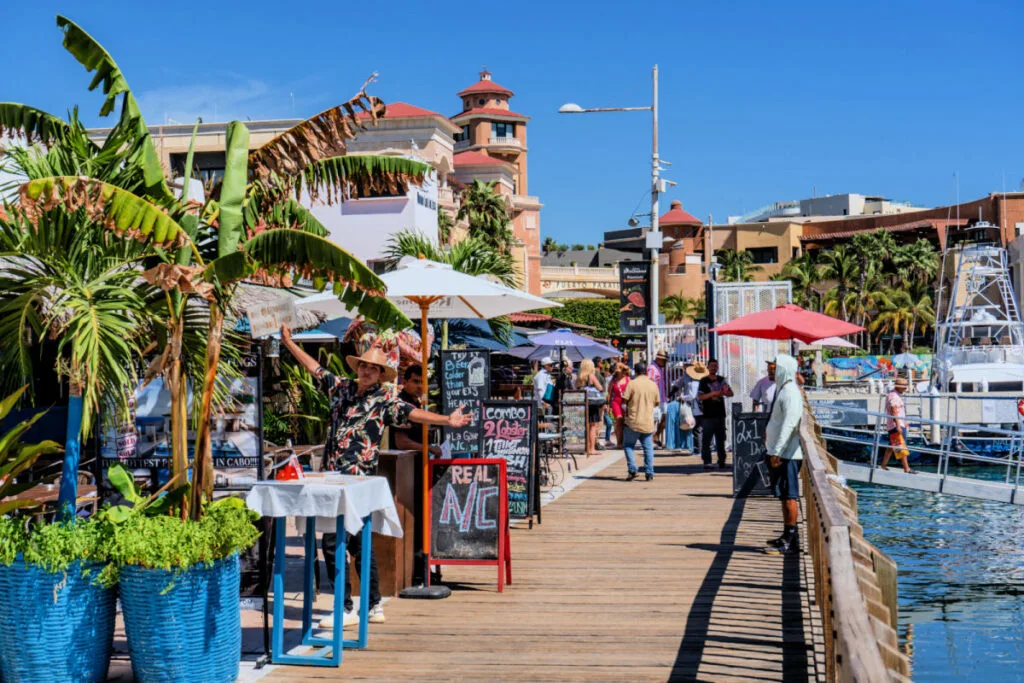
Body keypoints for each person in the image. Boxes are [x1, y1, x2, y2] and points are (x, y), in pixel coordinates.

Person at [280, 324, 471, 627]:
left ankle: (359, 605)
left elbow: (411, 413)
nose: (367, 371)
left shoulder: (384, 398)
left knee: (352, 543)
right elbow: (314, 368)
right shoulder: (341, 387)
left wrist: (446, 419)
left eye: (374, 368)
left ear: (382, 374)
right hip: (332, 479)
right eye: (365, 366)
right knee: (338, 543)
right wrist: (289, 344)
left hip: (358, 480)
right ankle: (359, 605)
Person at [763, 354, 804, 556]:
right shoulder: (783, 390)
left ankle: (790, 539)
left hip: (787, 454)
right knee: (783, 495)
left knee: (789, 496)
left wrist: (777, 451)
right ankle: (787, 535)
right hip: (780, 452)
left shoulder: (790, 393)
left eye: (774, 368)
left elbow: (790, 424)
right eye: (770, 368)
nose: (770, 371)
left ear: (784, 369)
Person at [621, 362, 660, 481]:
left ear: (635, 372)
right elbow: (657, 402)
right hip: (647, 421)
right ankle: (649, 472)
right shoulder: (653, 385)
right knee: (648, 448)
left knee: (628, 445)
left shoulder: (632, 384)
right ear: (646, 372)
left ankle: (632, 468)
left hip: (633, 421)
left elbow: (624, 400)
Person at [698, 359, 733, 470]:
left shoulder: (722, 380)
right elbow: (700, 397)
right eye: (712, 366)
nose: (714, 368)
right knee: (707, 440)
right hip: (708, 415)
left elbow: (730, 393)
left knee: (721, 439)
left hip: (720, 414)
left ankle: (721, 460)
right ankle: (707, 461)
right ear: (708, 367)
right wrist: (713, 393)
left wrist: (724, 392)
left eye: (715, 366)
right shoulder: (703, 381)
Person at [881, 377, 914, 473]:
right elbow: (894, 411)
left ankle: (883, 465)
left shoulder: (894, 395)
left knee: (892, 446)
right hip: (896, 425)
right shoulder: (894, 396)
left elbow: (898, 411)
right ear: (898, 387)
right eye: (904, 387)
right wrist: (898, 425)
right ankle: (906, 468)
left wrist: (904, 422)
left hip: (897, 424)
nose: (905, 389)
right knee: (900, 446)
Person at [576, 359, 605, 455]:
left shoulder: (579, 378)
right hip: (592, 404)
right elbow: (600, 388)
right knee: (593, 426)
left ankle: (585, 448)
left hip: (582, 404)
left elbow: (575, 388)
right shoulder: (591, 376)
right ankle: (591, 448)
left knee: (584, 426)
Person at [647, 351, 669, 447]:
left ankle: (656, 436)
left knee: (664, 418)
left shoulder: (659, 368)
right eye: (664, 360)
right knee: (653, 419)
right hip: (655, 398)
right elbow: (650, 382)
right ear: (659, 359)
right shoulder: (652, 368)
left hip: (662, 398)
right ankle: (651, 440)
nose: (665, 363)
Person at [609, 362, 630, 448]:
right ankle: (619, 442)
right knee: (618, 420)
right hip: (616, 402)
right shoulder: (613, 380)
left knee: (625, 423)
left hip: (626, 403)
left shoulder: (628, 379)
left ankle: (623, 441)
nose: (618, 372)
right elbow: (609, 393)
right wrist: (608, 405)